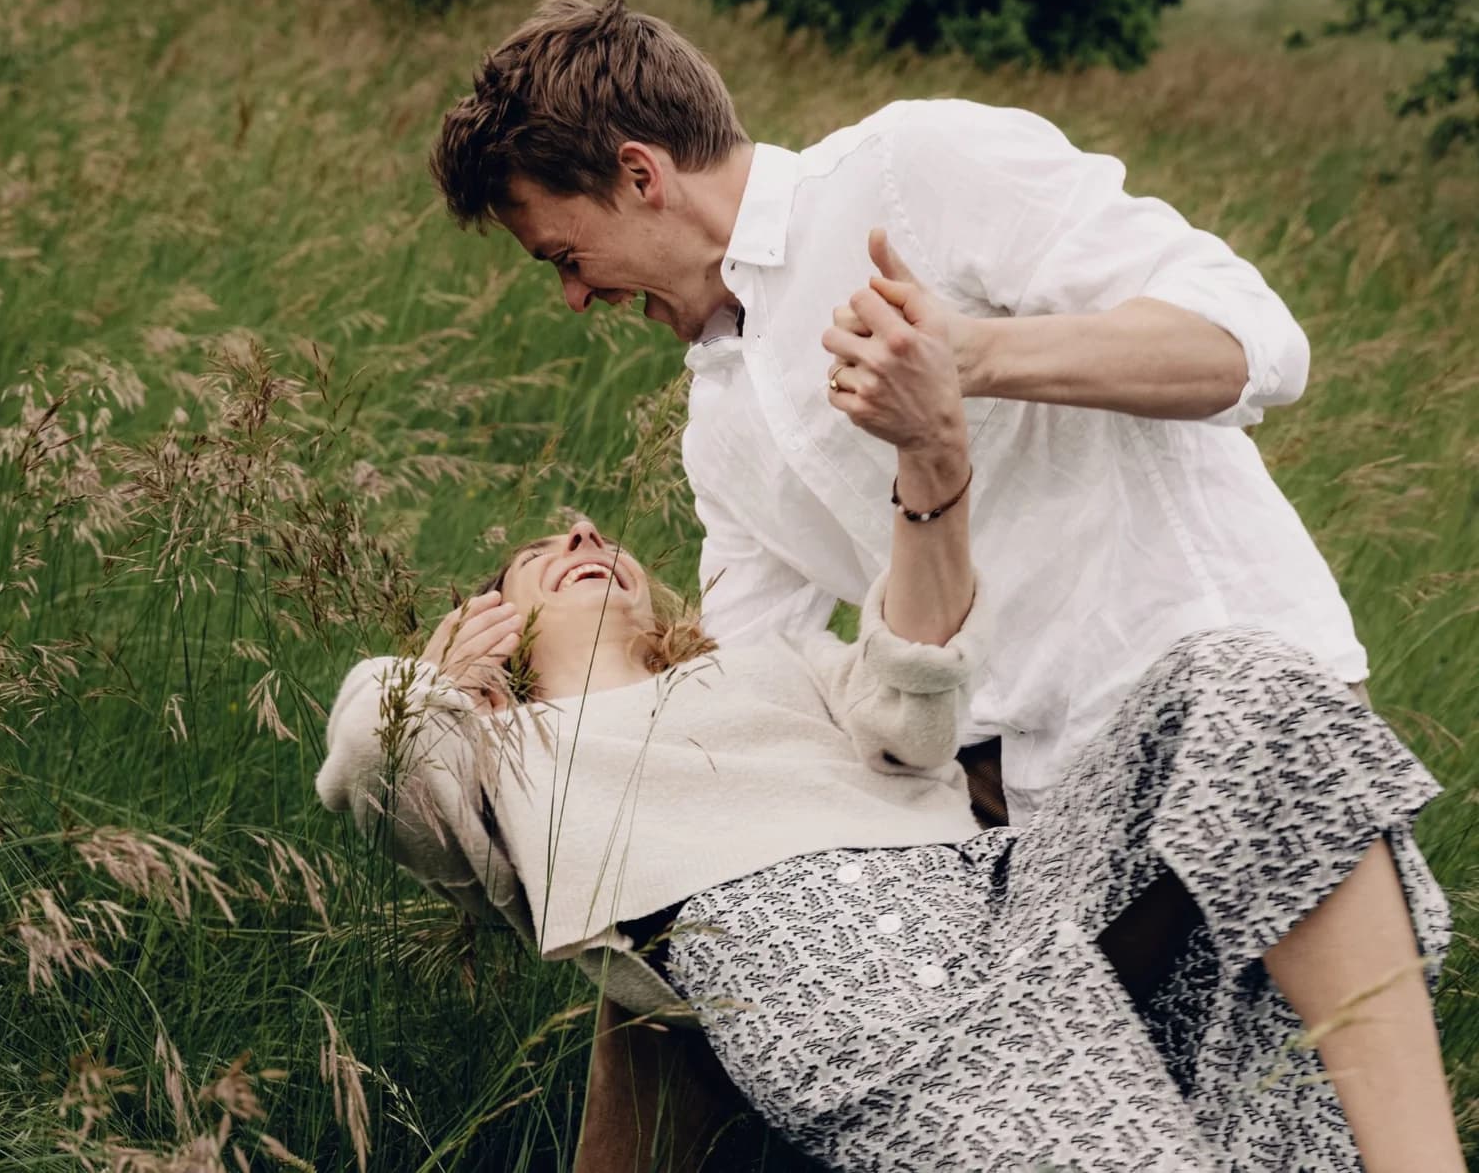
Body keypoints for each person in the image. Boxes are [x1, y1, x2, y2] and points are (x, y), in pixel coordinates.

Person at [313, 279, 1462, 1171]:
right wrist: (434, 677)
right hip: (829, 974)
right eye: (541, 554)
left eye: (596, 538)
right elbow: (372, 764)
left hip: (997, 892)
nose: (581, 538)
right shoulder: (512, 756)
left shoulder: (773, 665)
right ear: (493, 629)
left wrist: (930, 471)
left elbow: (913, 720)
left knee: (1242, 677)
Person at [429, 0, 1369, 826]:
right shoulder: (717, 427)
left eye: (566, 257)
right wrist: (456, 708)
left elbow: (1251, 341)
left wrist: (973, 357)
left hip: (1224, 700)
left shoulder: (911, 169)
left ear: (642, 176)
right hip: (1027, 811)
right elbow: (740, 701)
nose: (575, 298)